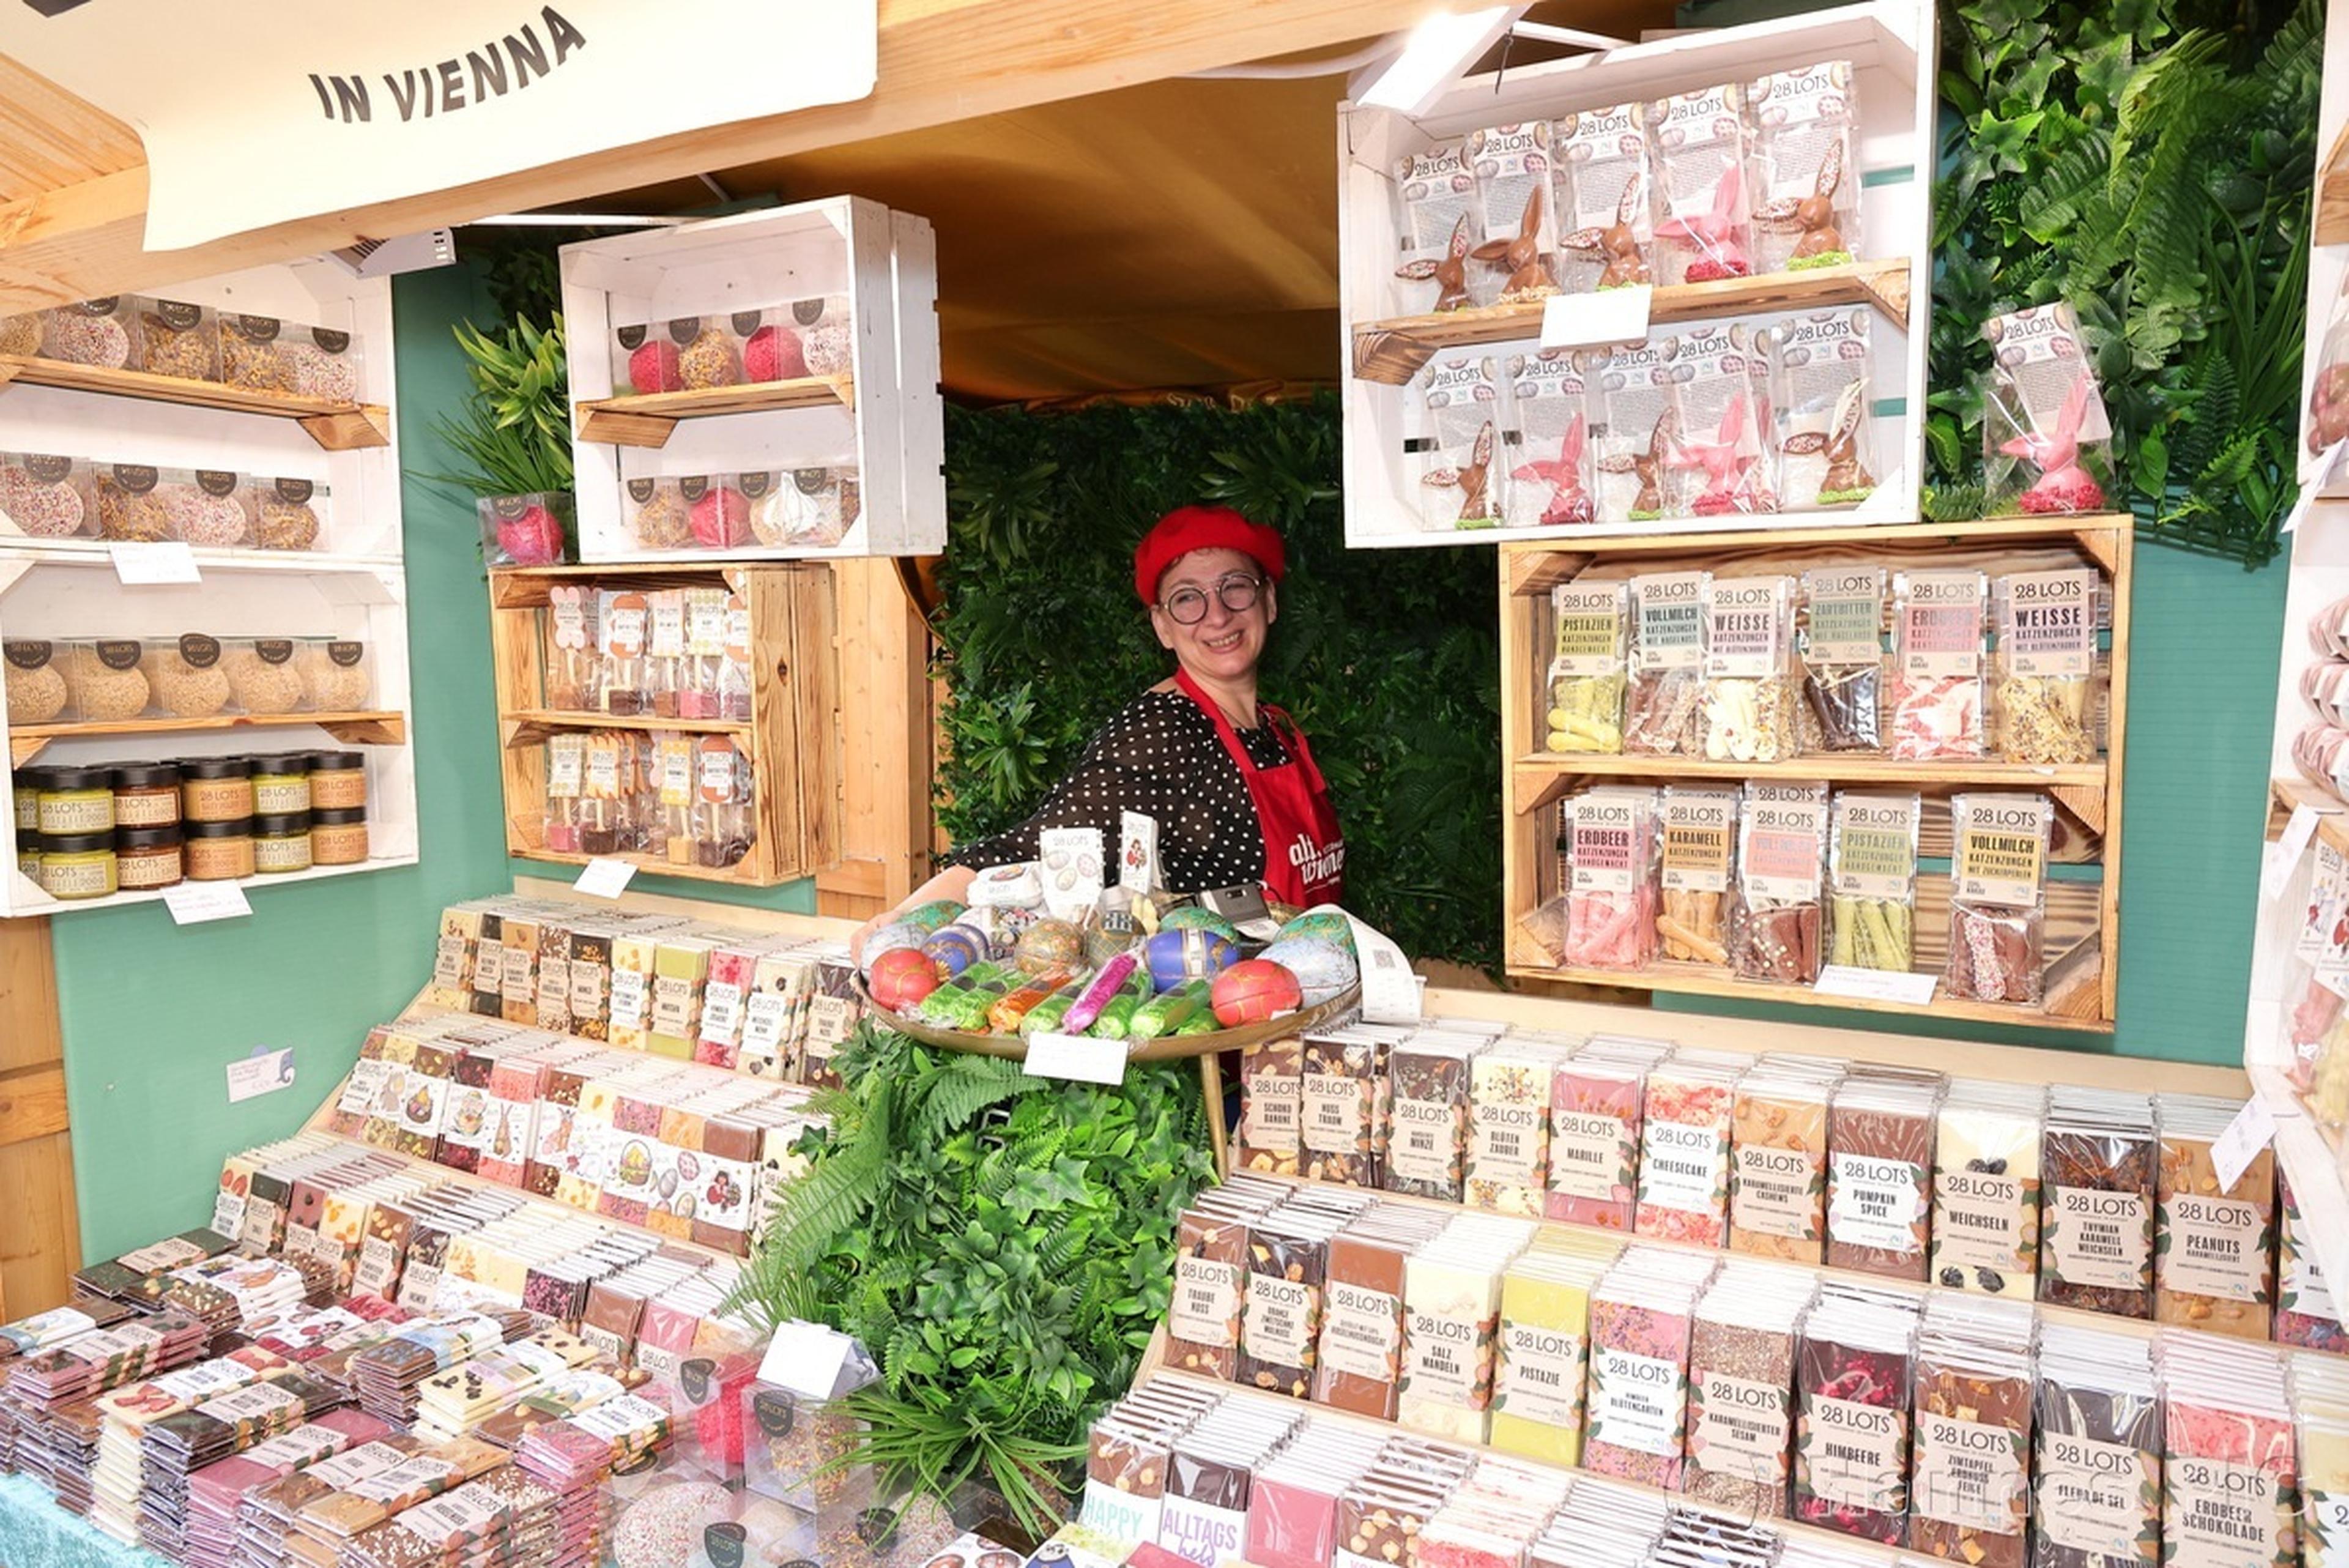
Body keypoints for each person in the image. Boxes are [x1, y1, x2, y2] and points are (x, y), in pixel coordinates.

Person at [853, 503, 1345, 954]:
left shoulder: (1276, 728)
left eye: (1235, 587)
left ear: (1269, 601)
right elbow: (1031, 846)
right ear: (1163, 627)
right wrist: (899, 922)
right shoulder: (1164, 730)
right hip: (1223, 1019)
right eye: (1186, 599)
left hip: (1305, 1001)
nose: (1217, 614)